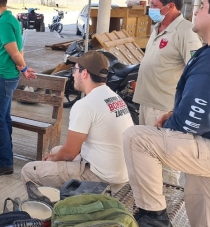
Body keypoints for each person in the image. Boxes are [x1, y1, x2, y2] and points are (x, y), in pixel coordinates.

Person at [123, 0, 210, 227]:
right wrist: (178, 112)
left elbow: (195, 118)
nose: (197, 9)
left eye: (204, 5)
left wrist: (171, 127)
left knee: (138, 138)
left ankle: (154, 215)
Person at [21, 51, 134, 192]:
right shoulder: (113, 97)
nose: (73, 74)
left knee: (29, 170)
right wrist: (55, 157)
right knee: (55, 151)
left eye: (75, 70)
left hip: (102, 177)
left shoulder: (85, 105)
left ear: (84, 73)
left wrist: (52, 160)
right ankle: (61, 198)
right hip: (120, 172)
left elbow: (70, 153)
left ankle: (48, 210)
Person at [133, 0, 202, 185]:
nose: (150, 9)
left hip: (164, 108)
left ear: (170, 6)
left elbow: (194, 70)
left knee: (166, 160)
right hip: (147, 102)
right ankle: (150, 202)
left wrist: (178, 108)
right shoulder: (158, 28)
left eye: (154, 5)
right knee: (146, 155)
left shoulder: (185, 31)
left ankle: (167, 206)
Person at [0, 0, 35, 177]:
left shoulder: (4, 22)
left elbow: (13, 51)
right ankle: (4, 154)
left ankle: (5, 162)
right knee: (3, 118)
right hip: (4, 73)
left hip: (3, 76)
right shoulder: (10, 19)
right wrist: (23, 67)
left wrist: (24, 68)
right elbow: (19, 50)